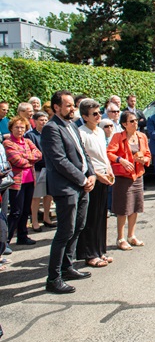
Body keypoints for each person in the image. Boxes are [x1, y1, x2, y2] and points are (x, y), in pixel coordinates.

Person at [41, 90, 96, 294]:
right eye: (68, 105)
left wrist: (90, 174)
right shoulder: (51, 129)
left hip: (82, 185)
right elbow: (59, 161)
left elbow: (83, 153)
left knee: (78, 227)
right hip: (66, 188)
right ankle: (53, 278)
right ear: (56, 107)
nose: (73, 108)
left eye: (73, 105)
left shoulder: (72, 125)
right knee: (65, 231)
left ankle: (67, 266)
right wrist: (82, 179)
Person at [77, 99, 115, 267]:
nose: (99, 115)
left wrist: (109, 169)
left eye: (99, 112)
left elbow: (103, 154)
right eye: (94, 114)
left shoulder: (100, 131)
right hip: (92, 178)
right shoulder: (80, 133)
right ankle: (90, 254)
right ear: (85, 116)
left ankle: (100, 250)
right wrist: (98, 174)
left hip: (104, 176)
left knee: (101, 216)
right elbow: (84, 160)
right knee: (91, 218)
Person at [107, 111, 151, 251]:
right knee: (123, 208)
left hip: (137, 175)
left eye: (136, 120)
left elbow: (148, 154)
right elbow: (109, 153)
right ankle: (121, 238)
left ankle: (131, 235)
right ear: (124, 124)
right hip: (123, 177)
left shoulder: (142, 136)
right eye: (132, 121)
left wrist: (144, 160)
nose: (135, 123)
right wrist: (122, 160)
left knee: (135, 207)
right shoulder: (118, 137)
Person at [3, 116, 42, 245]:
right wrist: (30, 159)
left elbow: (39, 155)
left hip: (30, 180)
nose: (19, 130)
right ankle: (6, 240)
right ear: (11, 128)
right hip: (16, 183)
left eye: (22, 127)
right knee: (16, 212)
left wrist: (25, 157)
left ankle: (22, 236)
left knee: (25, 210)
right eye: (17, 127)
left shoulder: (27, 141)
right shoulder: (8, 143)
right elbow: (16, 160)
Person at [25, 112, 56, 231]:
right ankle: (34, 221)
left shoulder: (50, 134)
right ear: (35, 121)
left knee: (49, 195)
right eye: (41, 120)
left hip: (50, 168)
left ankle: (46, 217)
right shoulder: (31, 135)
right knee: (36, 196)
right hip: (38, 169)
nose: (43, 122)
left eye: (45, 120)